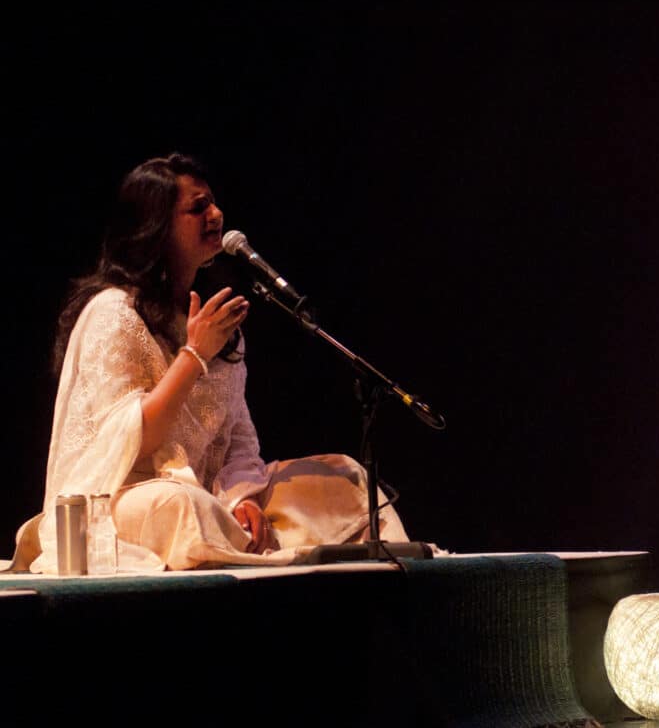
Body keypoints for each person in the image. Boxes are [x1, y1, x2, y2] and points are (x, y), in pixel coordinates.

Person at [8, 153, 409, 574]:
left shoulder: (215, 321)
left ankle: (396, 585)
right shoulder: (113, 313)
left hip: (210, 496)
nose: (216, 214)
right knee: (182, 506)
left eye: (214, 202)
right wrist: (193, 356)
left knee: (342, 477)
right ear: (157, 225)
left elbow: (239, 437)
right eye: (197, 207)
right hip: (119, 501)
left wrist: (243, 499)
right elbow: (129, 442)